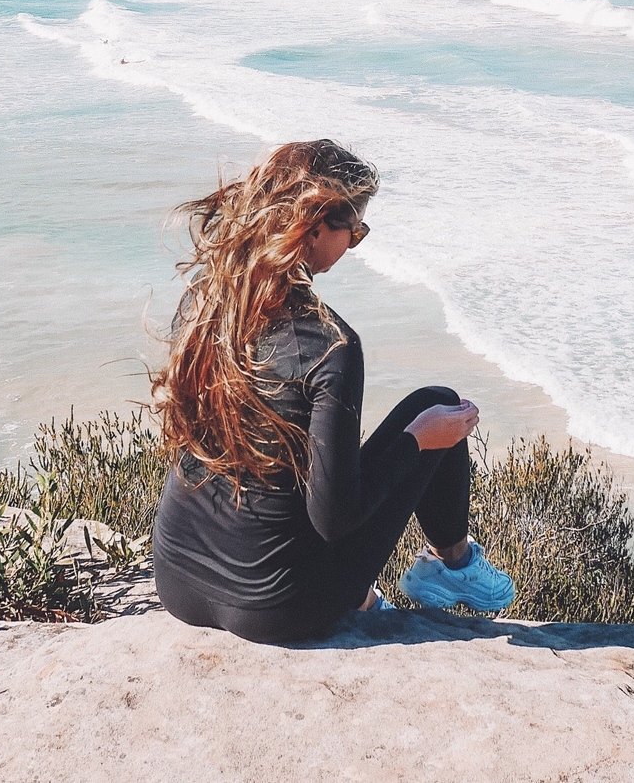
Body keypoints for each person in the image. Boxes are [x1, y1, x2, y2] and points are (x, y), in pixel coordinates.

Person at [151, 139, 515, 643]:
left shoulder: (206, 303)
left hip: (176, 579)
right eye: (355, 231)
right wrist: (418, 441)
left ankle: (418, 577)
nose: (355, 244)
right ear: (315, 225)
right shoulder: (330, 346)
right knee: (437, 409)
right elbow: (336, 518)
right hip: (277, 607)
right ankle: (449, 565)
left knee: (414, 414)